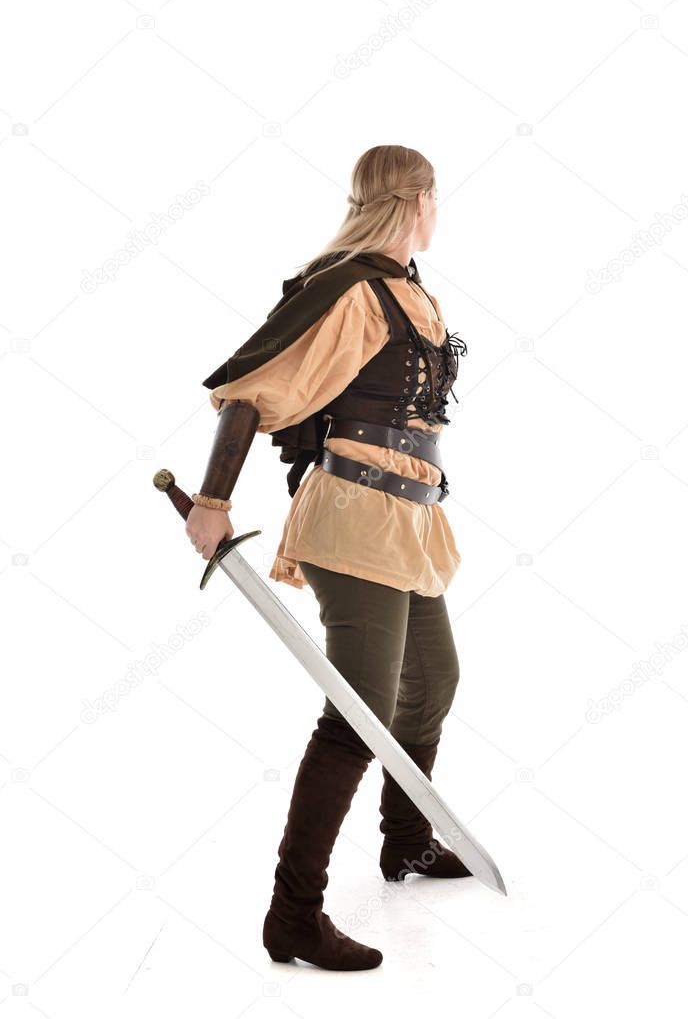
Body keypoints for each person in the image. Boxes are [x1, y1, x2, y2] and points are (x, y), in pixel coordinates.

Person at [185, 145, 471, 971]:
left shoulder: (408, 289)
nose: (438, 209)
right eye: (435, 197)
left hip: (408, 516)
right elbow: (250, 385)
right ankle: (294, 914)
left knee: (435, 678)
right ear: (414, 201)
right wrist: (211, 502)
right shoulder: (348, 288)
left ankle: (406, 843)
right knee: (359, 706)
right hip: (354, 514)